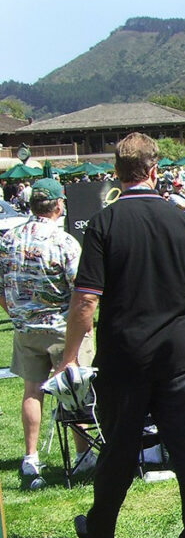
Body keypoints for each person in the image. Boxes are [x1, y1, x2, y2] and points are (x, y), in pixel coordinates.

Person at [59, 132, 185, 538]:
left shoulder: (103, 224)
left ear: (116, 173)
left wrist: (71, 354)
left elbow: (87, 299)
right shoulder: (182, 220)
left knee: (119, 447)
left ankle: (101, 529)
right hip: (175, 353)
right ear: (154, 170)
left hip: (124, 353)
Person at [0, 178, 96, 488]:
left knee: (32, 391)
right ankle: (82, 455)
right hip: (61, 329)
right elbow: (81, 292)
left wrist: (15, 313)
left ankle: (31, 457)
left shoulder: (8, 239)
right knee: (74, 389)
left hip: (26, 328)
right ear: (57, 205)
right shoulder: (64, 241)